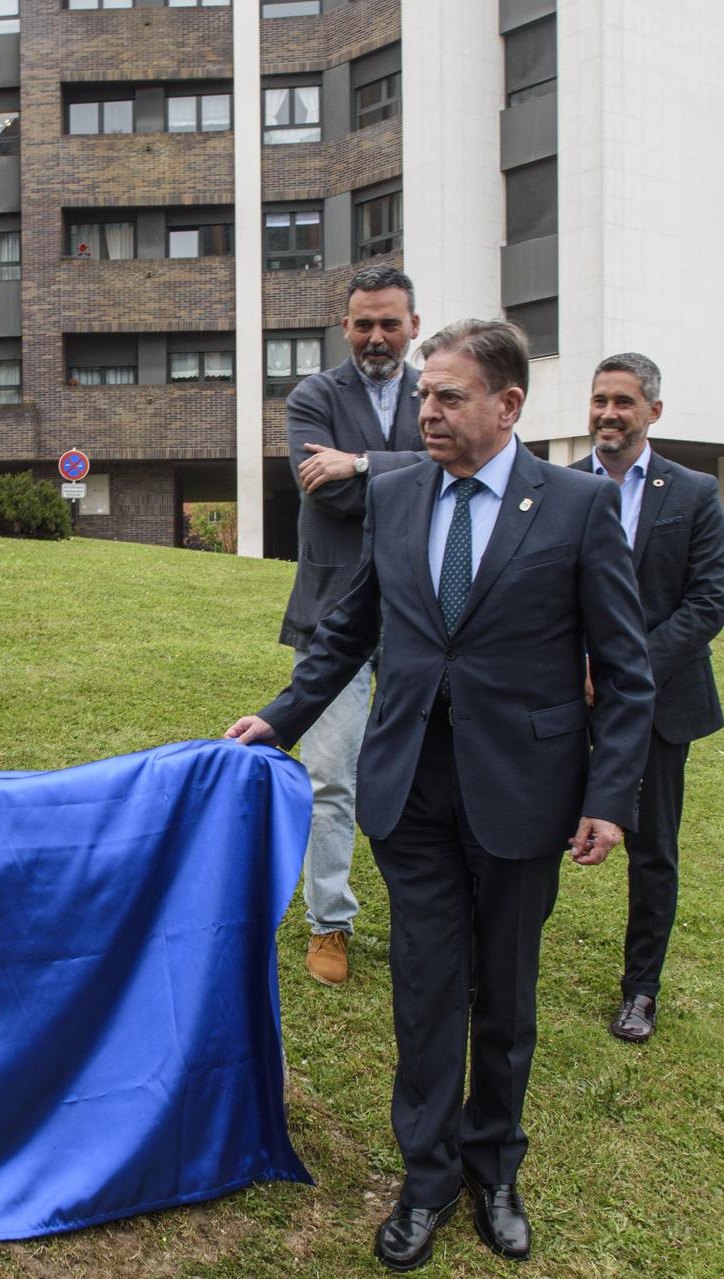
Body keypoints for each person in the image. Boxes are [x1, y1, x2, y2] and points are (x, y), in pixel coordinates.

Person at [226, 319, 654, 1272]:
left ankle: (494, 1168)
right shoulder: (400, 490)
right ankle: (426, 1179)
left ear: (507, 406)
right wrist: (280, 718)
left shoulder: (579, 507)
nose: (426, 410)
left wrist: (610, 794)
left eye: (449, 396)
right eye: (424, 394)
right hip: (409, 784)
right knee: (424, 993)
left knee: (503, 993)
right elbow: (352, 626)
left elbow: (626, 672)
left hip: (525, 792)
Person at [569, 354, 724, 1042]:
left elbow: (706, 604)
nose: (609, 412)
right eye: (600, 399)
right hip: (563, 699)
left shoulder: (693, 493)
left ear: (652, 413)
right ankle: (500, 964)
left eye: (624, 402)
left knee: (653, 849)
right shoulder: (558, 485)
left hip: (660, 703)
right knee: (529, 830)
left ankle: (641, 989)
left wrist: (622, 669)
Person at [278, 265, 428, 985]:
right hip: (333, 617)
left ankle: (424, 918)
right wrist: (410, 473)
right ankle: (328, 921)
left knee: (416, 778)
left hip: (422, 617)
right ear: (345, 326)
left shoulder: (438, 390)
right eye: (363, 322)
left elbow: (455, 473)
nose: (376, 336)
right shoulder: (313, 396)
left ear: (413, 326)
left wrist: (362, 462)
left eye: (389, 322)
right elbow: (328, 498)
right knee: (331, 774)